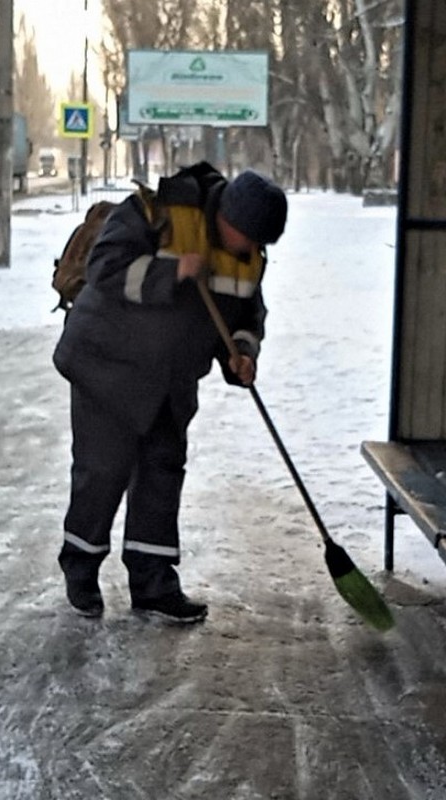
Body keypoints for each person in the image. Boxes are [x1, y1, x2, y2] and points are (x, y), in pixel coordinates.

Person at [52, 162, 288, 623]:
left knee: (162, 473)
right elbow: (105, 269)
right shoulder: (155, 212)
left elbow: (246, 312)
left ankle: (153, 582)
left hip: (172, 377)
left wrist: (241, 351)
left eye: (258, 243)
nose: (249, 248)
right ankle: (80, 568)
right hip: (108, 366)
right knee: (103, 472)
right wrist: (172, 269)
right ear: (226, 217)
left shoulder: (246, 252)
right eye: (245, 236)